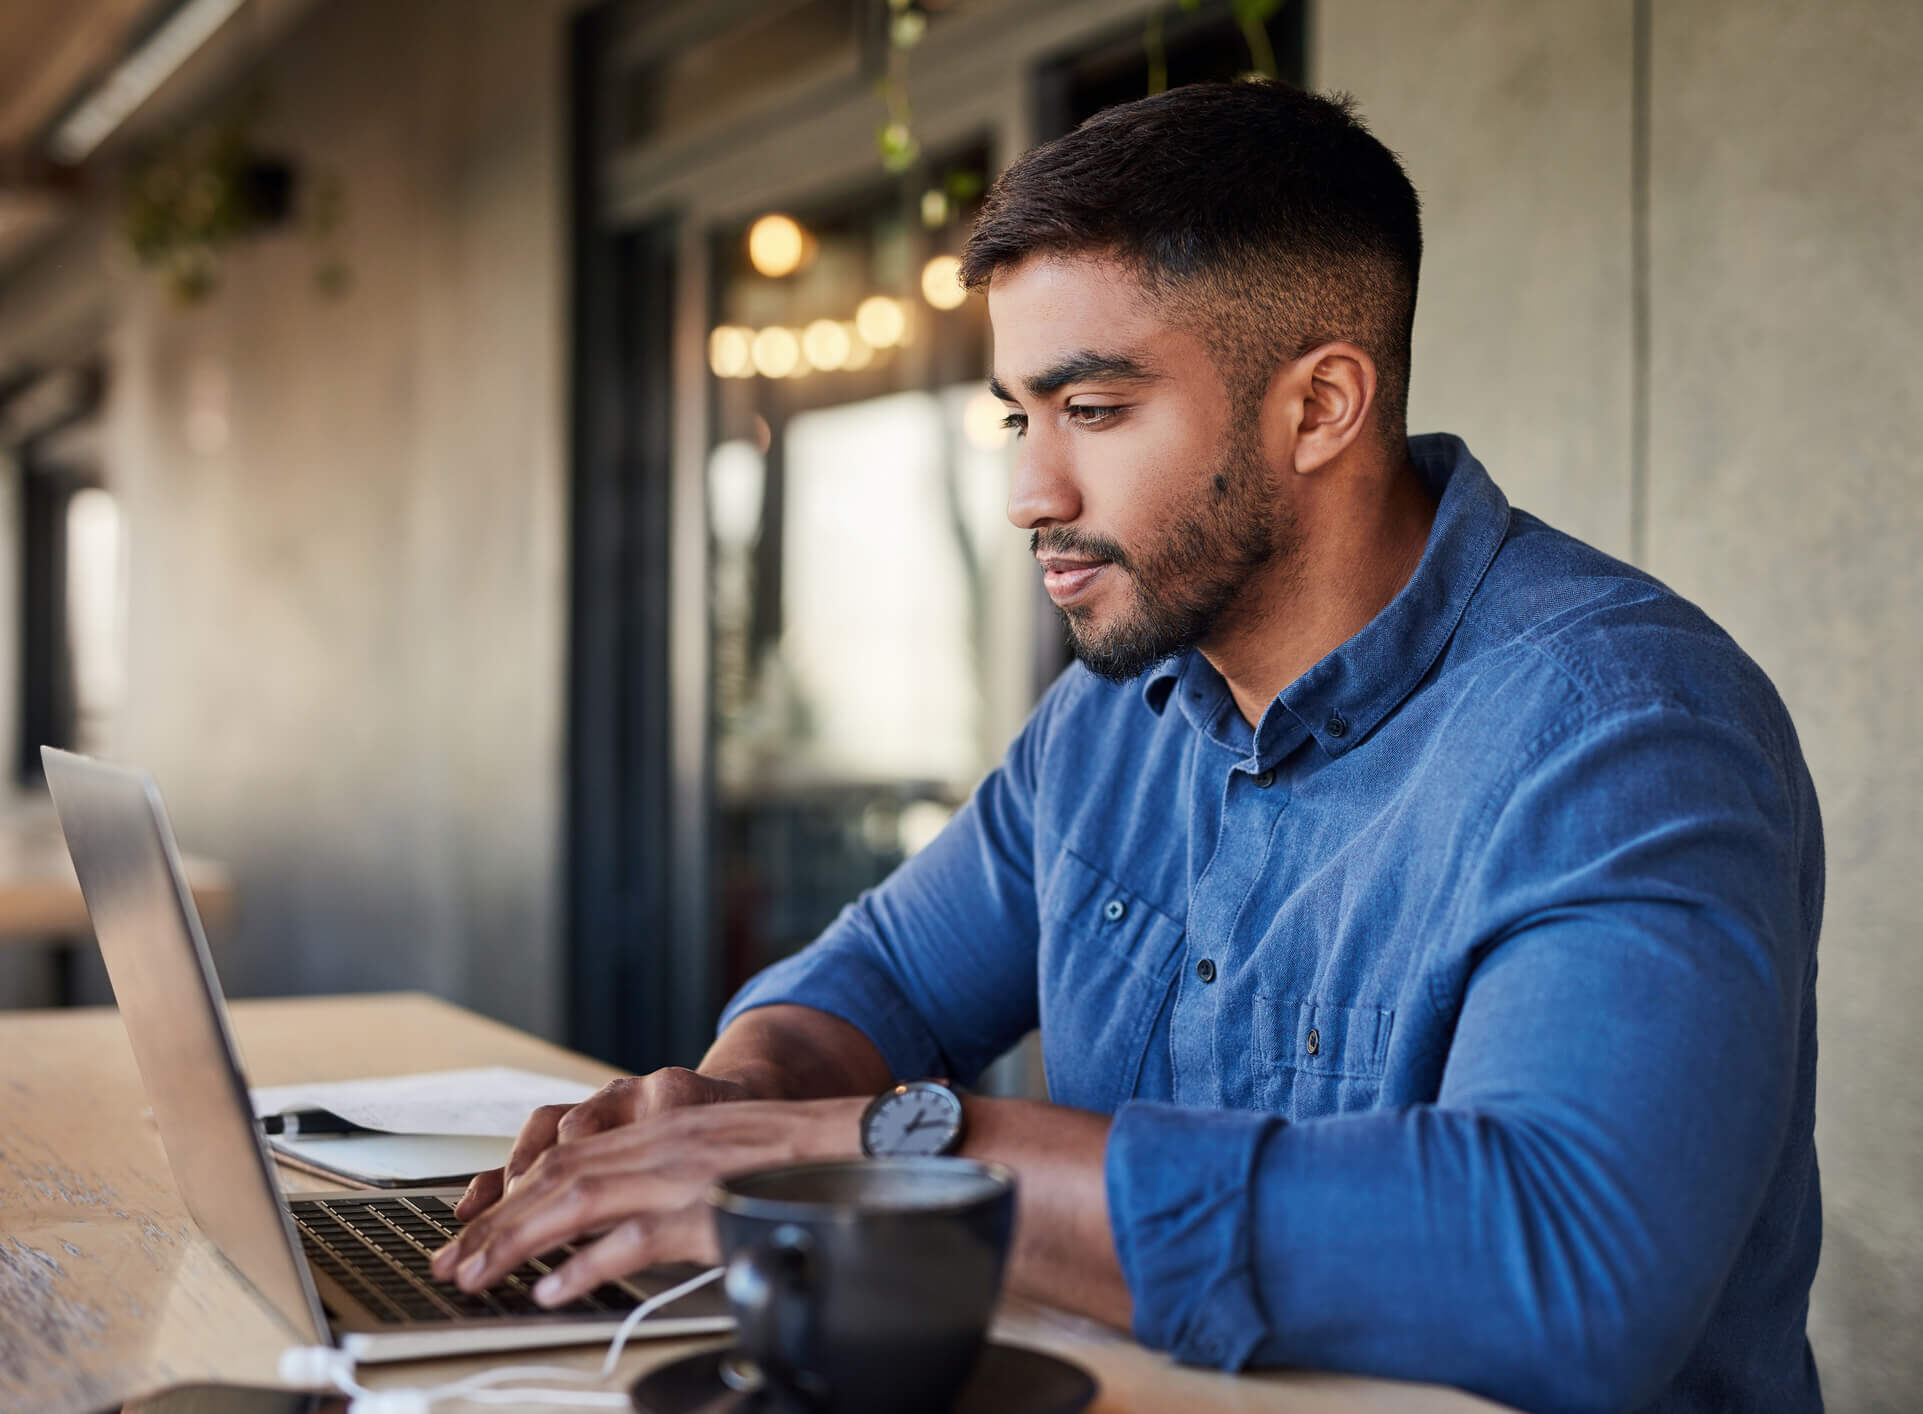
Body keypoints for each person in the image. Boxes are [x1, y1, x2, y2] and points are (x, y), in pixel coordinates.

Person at [432, 80, 1823, 1413]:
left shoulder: (1625, 732)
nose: (1033, 491)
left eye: (1094, 410)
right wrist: (736, 1110)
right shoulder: (1112, 717)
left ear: (1321, 405)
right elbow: (880, 976)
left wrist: (898, 1148)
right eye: (1018, 416)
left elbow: (1564, 1269)